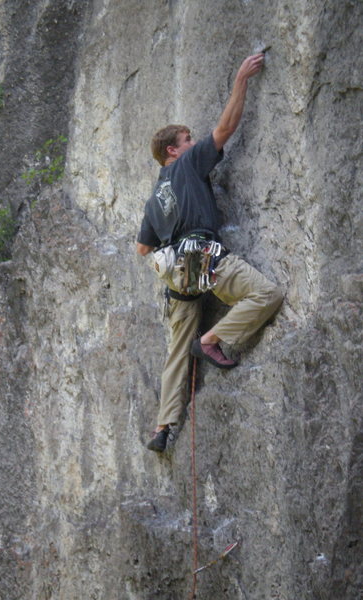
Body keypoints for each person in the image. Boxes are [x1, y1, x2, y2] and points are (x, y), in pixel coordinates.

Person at [136, 53, 283, 453]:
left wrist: (170, 265)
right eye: (187, 140)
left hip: (175, 274)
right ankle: (214, 338)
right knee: (266, 294)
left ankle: (163, 427)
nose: (193, 142)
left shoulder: (154, 199)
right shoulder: (185, 167)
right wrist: (241, 80)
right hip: (201, 256)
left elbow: (142, 247)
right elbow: (226, 127)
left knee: (175, 353)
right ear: (173, 151)